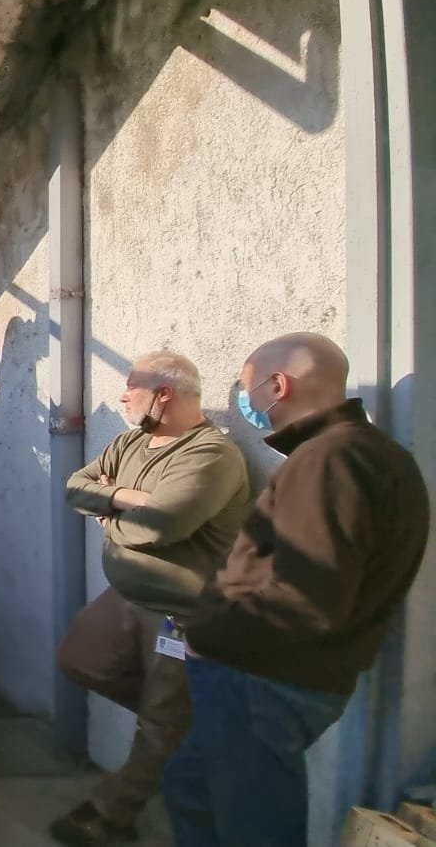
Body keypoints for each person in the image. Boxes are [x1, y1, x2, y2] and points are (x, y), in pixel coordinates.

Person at [163, 332, 431, 847]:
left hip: (263, 680)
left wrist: (204, 636)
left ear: (277, 385)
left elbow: (303, 597)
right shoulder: (363, 455)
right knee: (191, 788)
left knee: (254, 827)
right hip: (278, 677)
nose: (245, 403)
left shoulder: (329, 461)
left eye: (247, 388)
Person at [51, 351, 252, 847]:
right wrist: (125, 498)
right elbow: (75, 487)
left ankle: (110, 816)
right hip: (125, 596)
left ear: (164, 393)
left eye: (131, 386)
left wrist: (111, 515)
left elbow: (161, 526)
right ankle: (177, 726)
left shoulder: (210, 455)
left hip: (180, 615)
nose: (121, 396)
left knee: (161, 726)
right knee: (79, 660)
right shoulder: (131, 442)